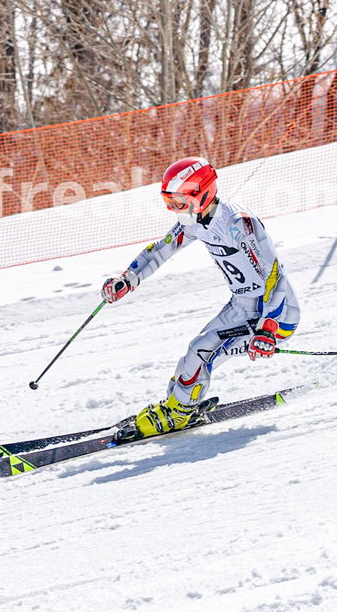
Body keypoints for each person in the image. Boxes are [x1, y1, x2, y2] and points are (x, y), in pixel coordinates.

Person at [100, 156, 300, 437]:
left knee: (201, 350)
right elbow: (160, 250)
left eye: (179, 202)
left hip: (275, 313)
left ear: (202, 193)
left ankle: (178, 414)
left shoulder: (238, 223)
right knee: (191, 358)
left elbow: (273, 276)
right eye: (169, 203)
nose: (174, 209)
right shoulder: (196, 222)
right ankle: (179, 406)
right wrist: (128, 278)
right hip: (242, 307)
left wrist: (268, 329)